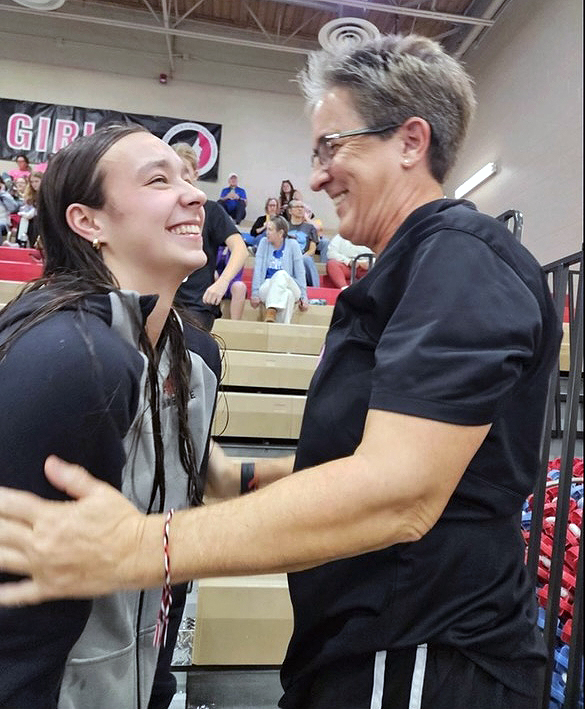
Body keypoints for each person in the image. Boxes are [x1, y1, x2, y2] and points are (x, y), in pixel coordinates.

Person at [0, 33, 562, 709]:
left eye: (332, 147)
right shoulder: (85, 349)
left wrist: (146, 544)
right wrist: (234, 474)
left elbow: (399, 491)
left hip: (422, 651)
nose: (318, 175)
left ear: (409, 142)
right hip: (363, 647)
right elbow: (378, 458)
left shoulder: (457, 260)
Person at [0, 123, 230, 709]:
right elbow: (20, 613)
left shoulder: (195, 356)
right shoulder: (70, 359)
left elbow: (168, 565)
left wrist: (156, 688)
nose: (194, 194)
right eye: (158, 180)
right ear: (89, 221)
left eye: (189, 177)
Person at [172, 144, 248, 332]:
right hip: (164, 301)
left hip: (197, 305)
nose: (180, 178)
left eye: (185, 172)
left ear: (196, 174)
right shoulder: (162, 208)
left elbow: (240, 249)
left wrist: (222, 283)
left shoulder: (211, 210)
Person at [250, 215, 308, 323]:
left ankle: (271, 310)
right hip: (267, 286)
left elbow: (300, 272)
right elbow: (258, 269)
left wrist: (304, 297)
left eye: (270, 230)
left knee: (281, 274)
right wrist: (255, 293)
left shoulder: (293, 245)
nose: (267, 232)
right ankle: (282, 329)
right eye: (267, 229)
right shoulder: (263, 243)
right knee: (288, 296)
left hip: (290, 284)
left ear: (280, 233)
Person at [287, 198, 321, 287]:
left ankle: (316, 291)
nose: (300, 209)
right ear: (290, 211)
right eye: (297, 207)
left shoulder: (310, 228)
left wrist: (300, 258)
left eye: (302, 207)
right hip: (287, 257)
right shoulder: (284, 226)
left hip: (303, 257)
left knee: (307, 259)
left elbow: (312, 250)